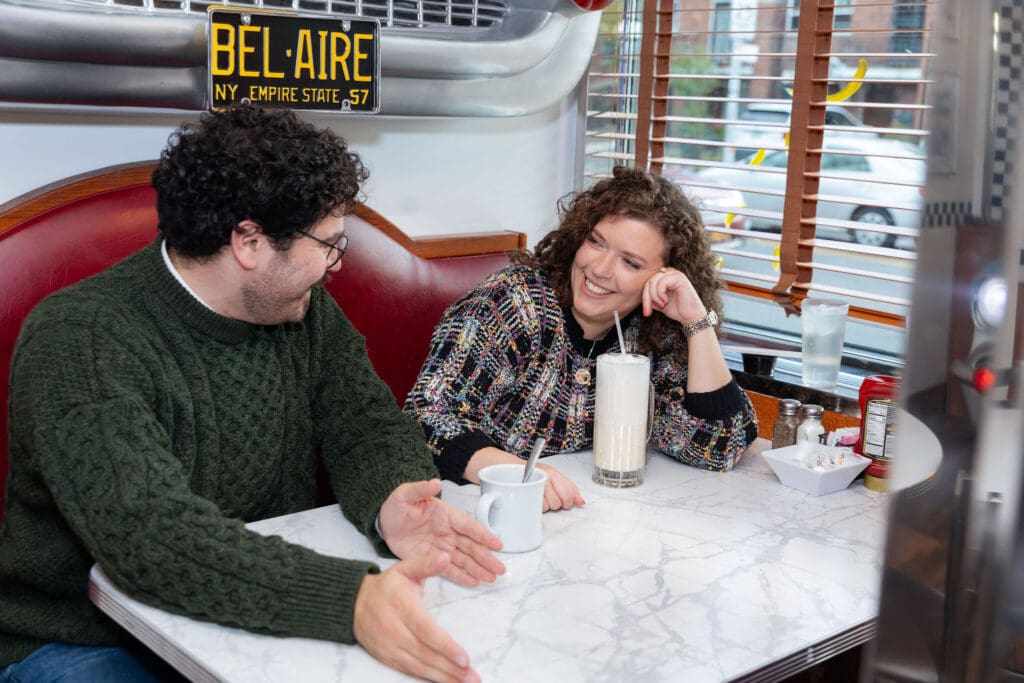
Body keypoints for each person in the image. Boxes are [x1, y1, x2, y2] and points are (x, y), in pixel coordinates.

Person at [0, 104, 504, 683]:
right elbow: (150, 535)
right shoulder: (82, 337)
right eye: (328, 243)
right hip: (84, 638)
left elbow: (366, 425)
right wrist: (346, 600)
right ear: (249, 241)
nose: (336, 264)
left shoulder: (302, 309)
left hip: (251, 607)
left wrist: (390, 498)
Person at [405, 166, 758, 511]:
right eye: (596, 242)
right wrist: (515, 471)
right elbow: (425, 416)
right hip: (478, 511)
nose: (600, 269)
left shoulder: (649, 337)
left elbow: (721, 447)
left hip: (598, 519)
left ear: (663, 277)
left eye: (631, 263)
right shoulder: (514, 302)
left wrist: (696, 322)